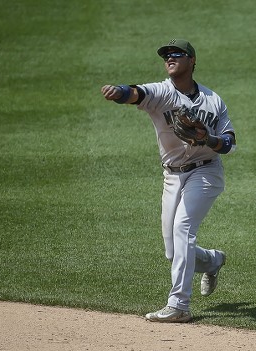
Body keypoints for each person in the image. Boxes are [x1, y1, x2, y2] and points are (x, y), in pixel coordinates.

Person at [101, 39, 236, 323]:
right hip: (172, 175)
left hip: (206, 171)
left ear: (192, 60)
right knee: (173, 249)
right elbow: (137, 93)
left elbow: (229, 143)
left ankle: (179, 305)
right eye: (166, 55)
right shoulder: (162, 92)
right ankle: (213, 260)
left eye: (177, 54)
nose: (170, 58)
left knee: (183, 227)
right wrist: (119, 92)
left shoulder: (213, 100)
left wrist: (207, 139)